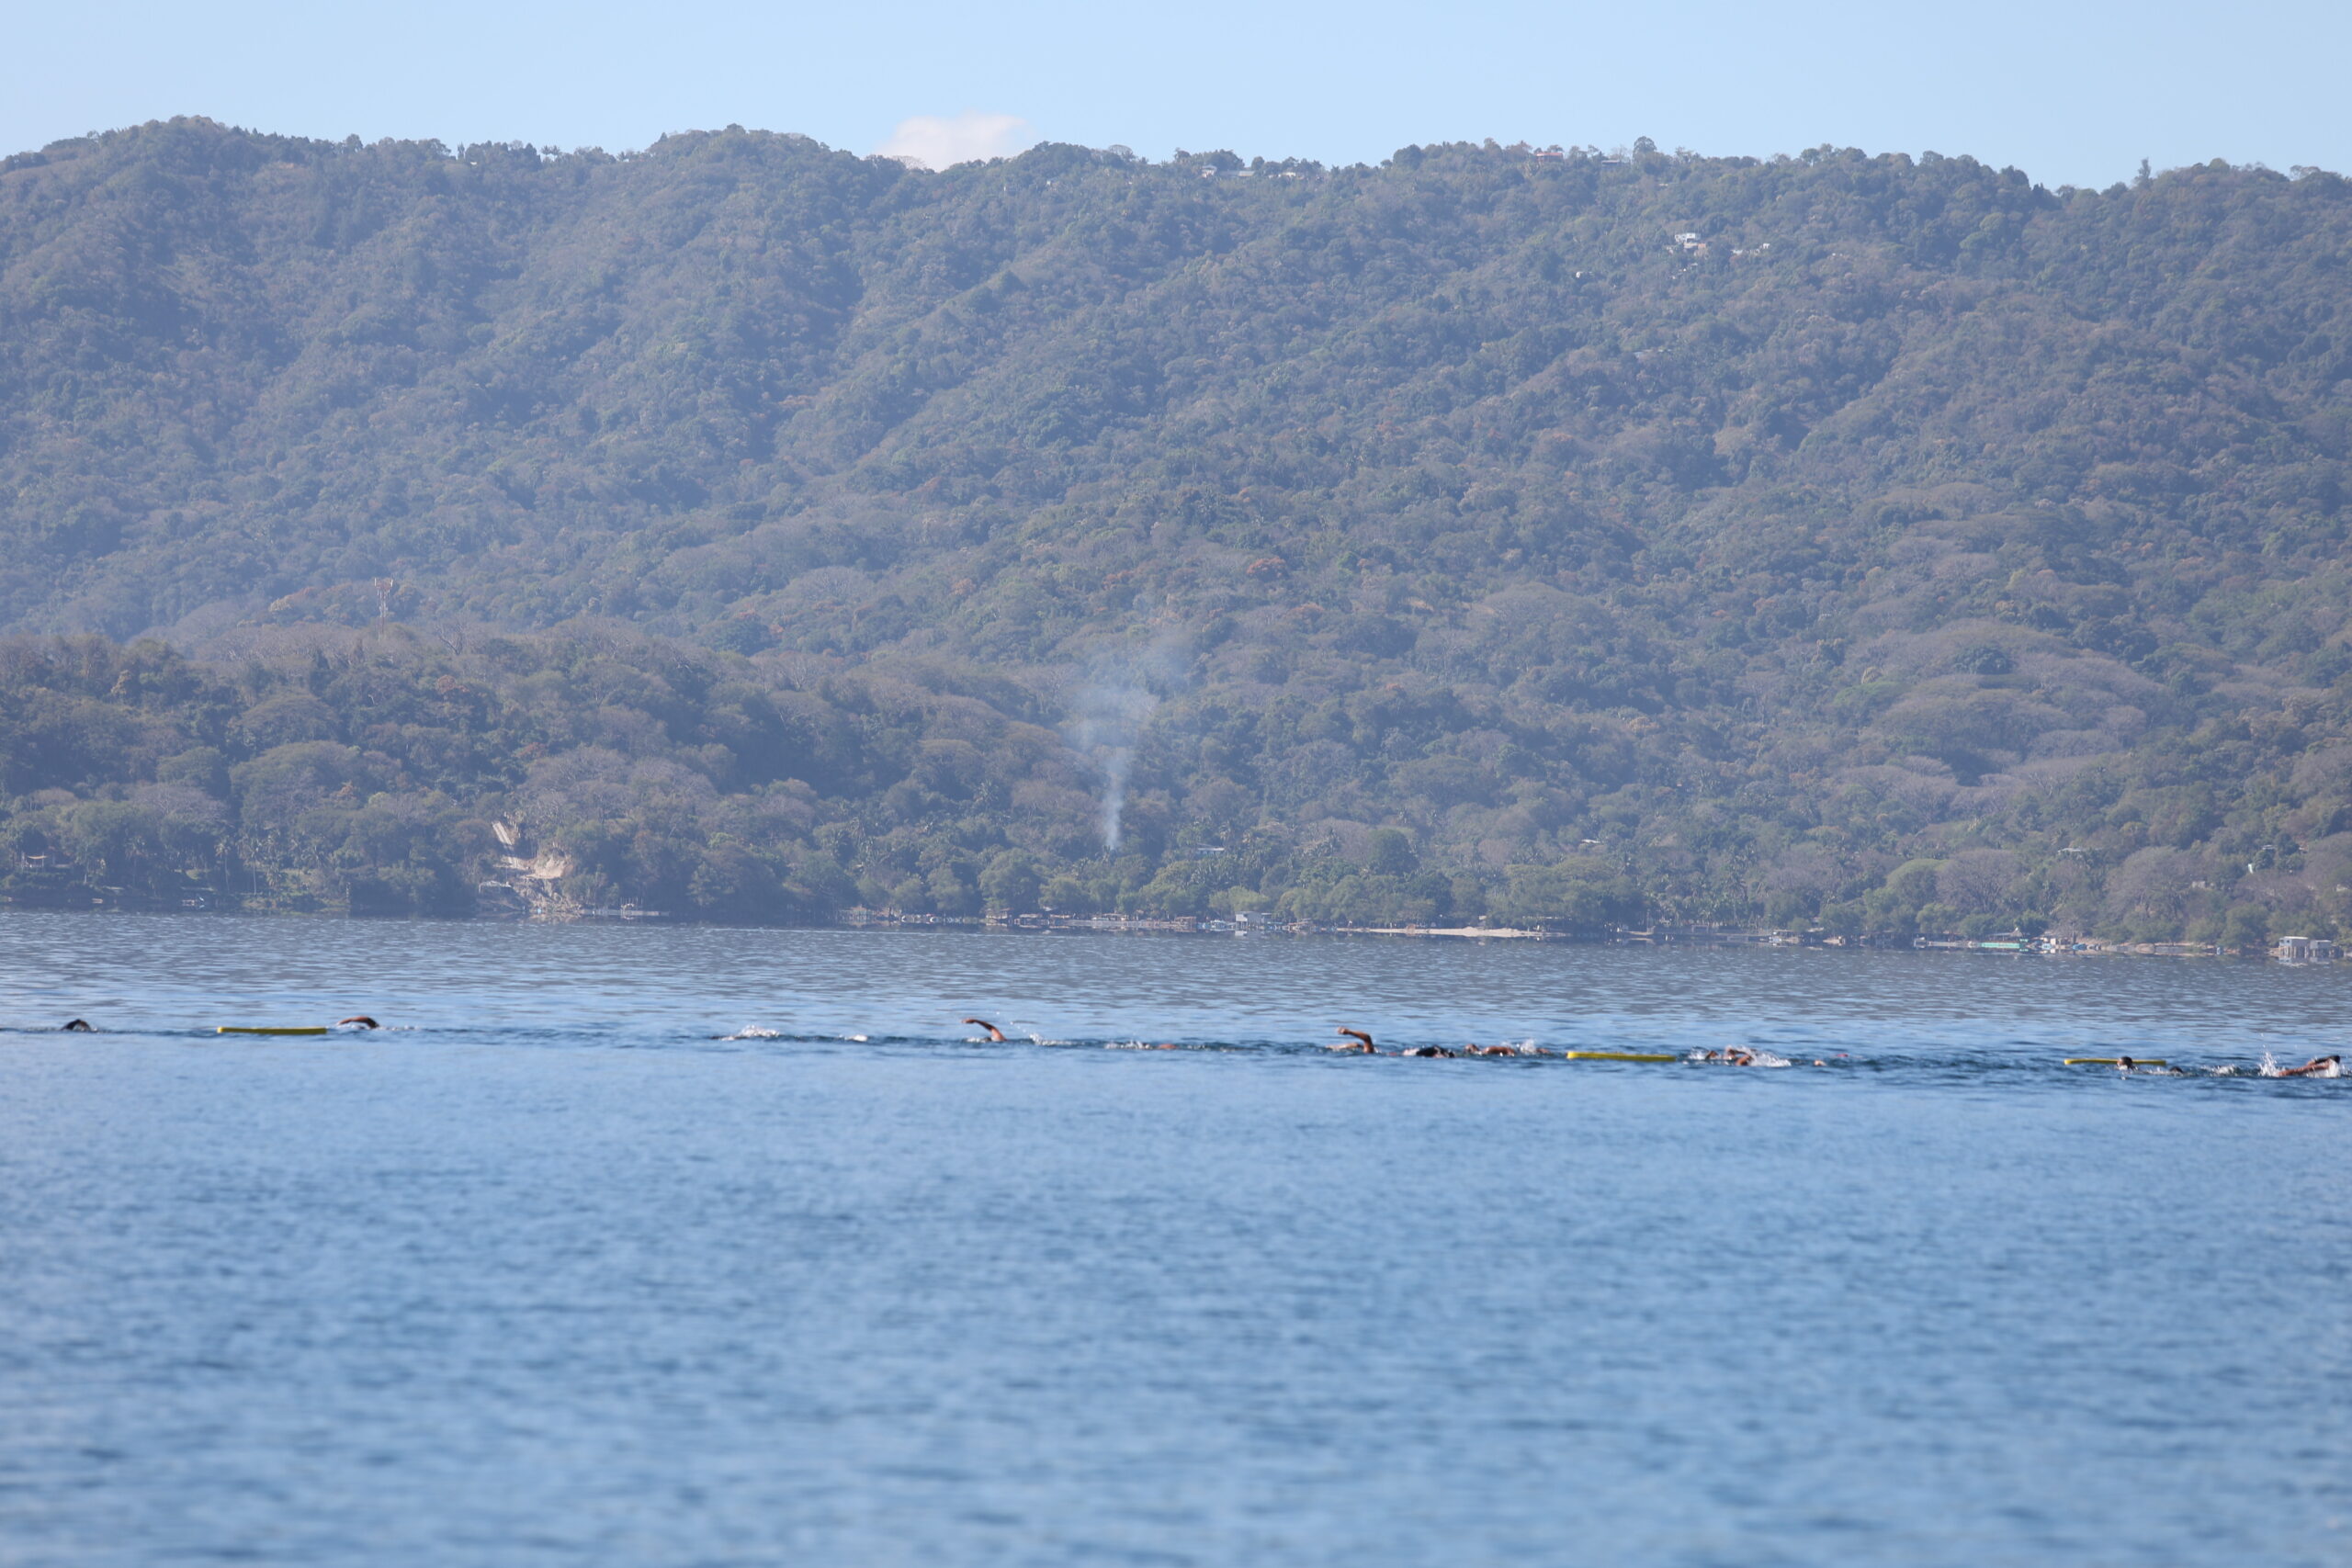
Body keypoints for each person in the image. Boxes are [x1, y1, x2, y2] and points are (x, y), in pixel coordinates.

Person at [2278, 1054, 2342, 1077]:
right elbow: (2309, 1063)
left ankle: (2280, 1074)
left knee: (2296, 1071)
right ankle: (2280, 1074)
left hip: (2287, 1074)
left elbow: (2309, 1064)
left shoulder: (2324, 1066)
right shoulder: (2333, 1069)